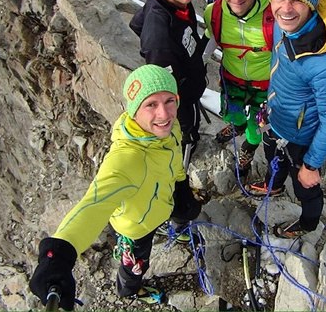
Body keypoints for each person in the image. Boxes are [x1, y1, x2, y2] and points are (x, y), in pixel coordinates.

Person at [28, 65, 202, 309]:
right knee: (136, 264)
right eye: (150, 104)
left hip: (161, 202)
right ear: (133, 111)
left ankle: (174, 227)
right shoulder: (126, 159)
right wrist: (58, 255)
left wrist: (181, 184)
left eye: (169, 100)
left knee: (183, 212)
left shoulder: (168, 129)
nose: (164, 113)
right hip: (136, 227)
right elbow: (95, 203)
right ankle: (129, 289)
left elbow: (172, 160)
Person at [246, 0, 326, 239]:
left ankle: (308, 224)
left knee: (306, 185)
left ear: (310, 4)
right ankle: (275, 185)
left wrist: (311, 164)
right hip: (277, 117)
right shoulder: (291, 26)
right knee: (272, 154)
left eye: (296, 0)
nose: (285, 8)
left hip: (301, 137)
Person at [129, 0, 207, 157]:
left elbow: (136, 23)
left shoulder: (168, 1)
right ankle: (183, 151)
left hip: (188, 82)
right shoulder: (159, 37)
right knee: (184, 134)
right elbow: (166, 89)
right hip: (182, 98)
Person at [202, 0, 273, 175]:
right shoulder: (214, 13)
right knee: (232, 113)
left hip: (265, 85)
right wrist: (198, 65)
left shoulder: (273, 14)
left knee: (256, 127)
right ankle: (237, 124)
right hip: (232, 79)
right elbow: (211, 40)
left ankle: (248, 149)